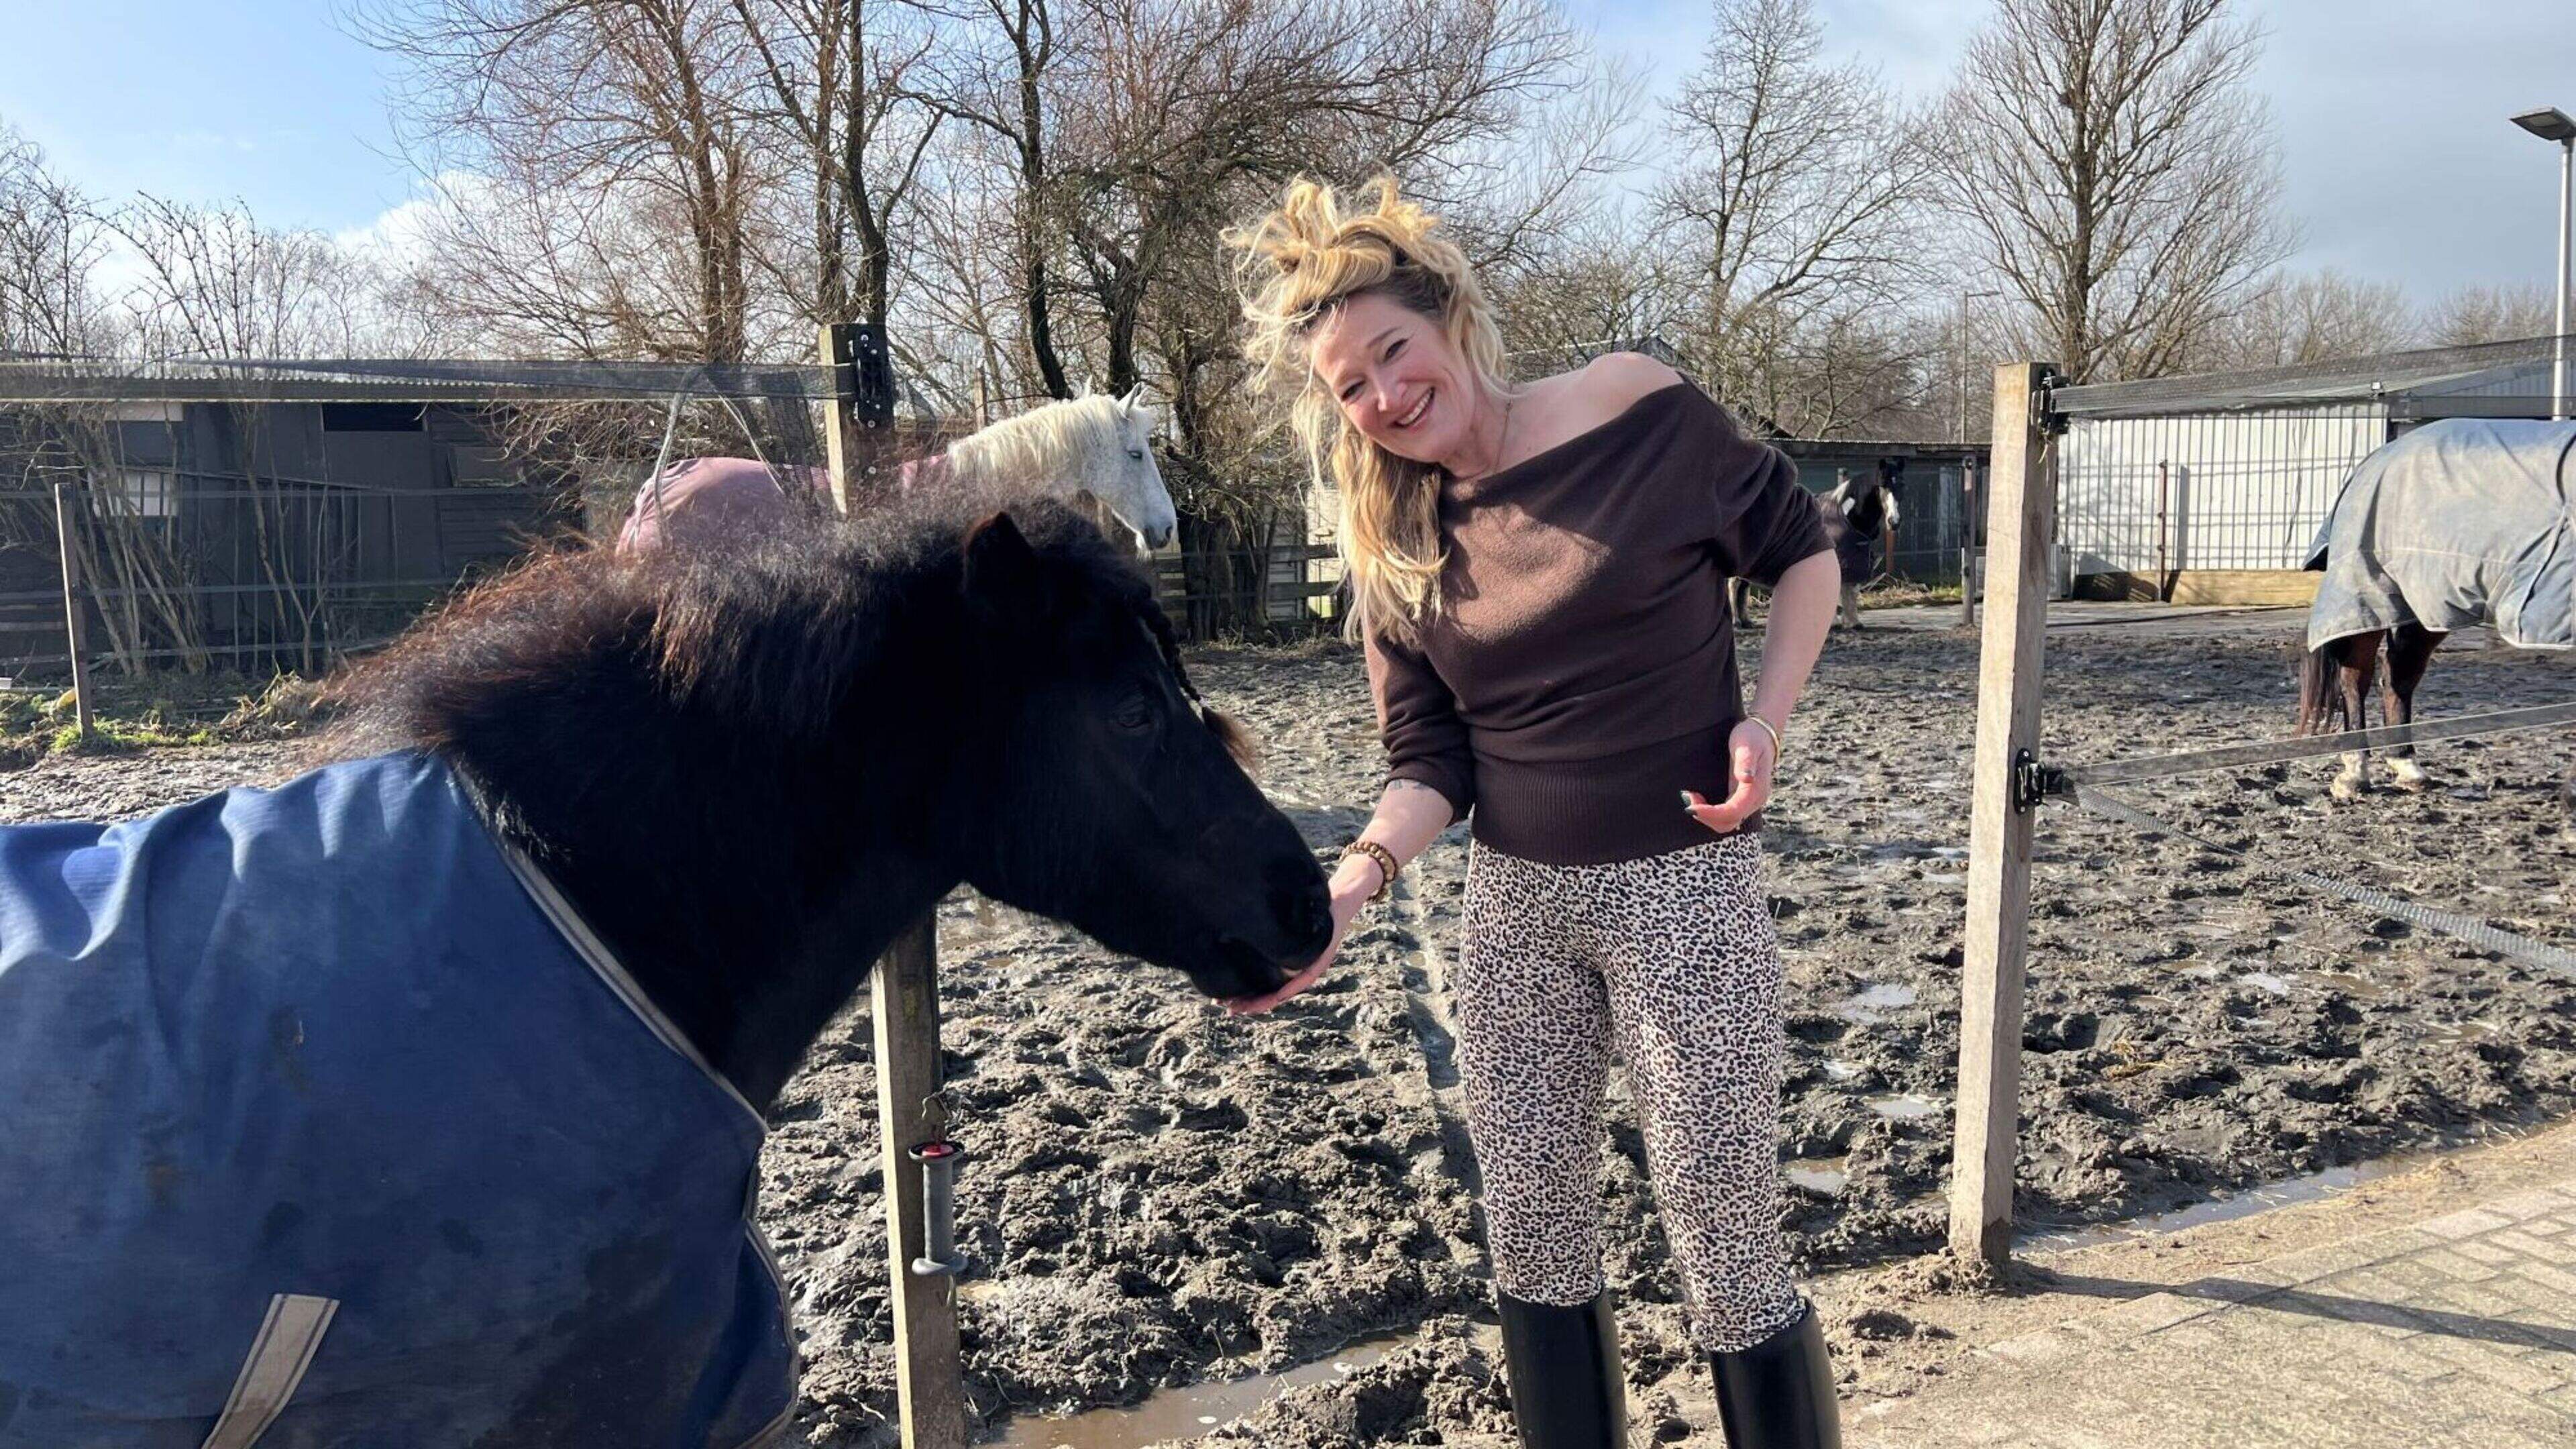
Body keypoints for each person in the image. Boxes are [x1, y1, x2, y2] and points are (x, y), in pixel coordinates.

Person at [1222, 176, 1844, 1449]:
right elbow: (1427, 760)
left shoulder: (1634, 404)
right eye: (1351, 387)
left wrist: (1762, 721)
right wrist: (1355, 881)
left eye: (1392, 352)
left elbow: (1805, 549)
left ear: (1447, 316)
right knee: (1537, 1235)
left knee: (1722, 1216)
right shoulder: (1388, 532)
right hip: (1515, 911)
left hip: (1686, 882)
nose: (1385, 397)